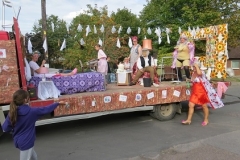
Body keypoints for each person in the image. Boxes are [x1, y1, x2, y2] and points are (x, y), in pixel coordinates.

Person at [1, 89, 66, 160]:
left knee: (34, 158)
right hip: (27, 142)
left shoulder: (12, 113)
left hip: (19, 141)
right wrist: (57, 103)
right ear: (25, 100)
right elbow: (46, 109)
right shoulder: (32, 112)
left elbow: (5, 128)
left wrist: (14, 129)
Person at [182, 61, 224, 126]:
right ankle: (188, 120)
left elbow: (199, 74)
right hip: (195, 92)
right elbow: (194, 80)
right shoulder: (193, 73)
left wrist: (196, 66)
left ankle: (206, 119)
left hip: (201, 93)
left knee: (204, 106)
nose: (193, 67)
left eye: (194, 66)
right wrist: (189, 80)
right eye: (193, 66)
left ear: (197, 66)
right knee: (190, 105)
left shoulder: (201, 72)